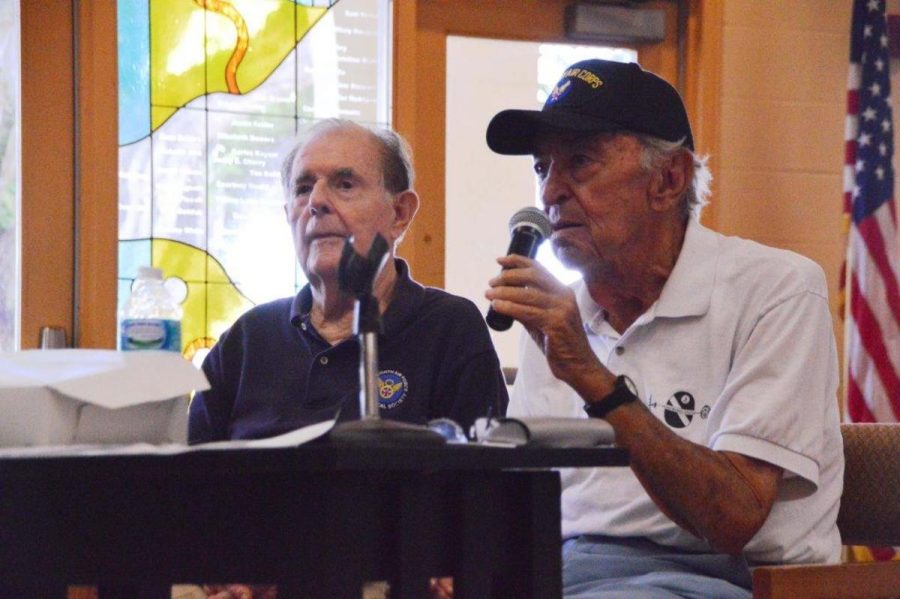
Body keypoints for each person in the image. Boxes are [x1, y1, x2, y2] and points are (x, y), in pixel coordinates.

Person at [484, 59, 843, 598]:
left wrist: (590, 376)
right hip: (562, 572)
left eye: (579, 163)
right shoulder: (563, 317)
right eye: (542, 168)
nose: (550, 192)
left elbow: (733, 518)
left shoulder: (778, 291)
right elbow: (523, 498)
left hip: (716, 577)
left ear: (669, 180)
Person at [189, 118, 508, 444]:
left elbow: (483, 483)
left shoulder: (449, 328)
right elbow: (185, 479)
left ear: (399, 213)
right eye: (303, 188)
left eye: (344, 185)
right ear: (288, 214)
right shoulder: (247, 341)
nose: (317, 202)